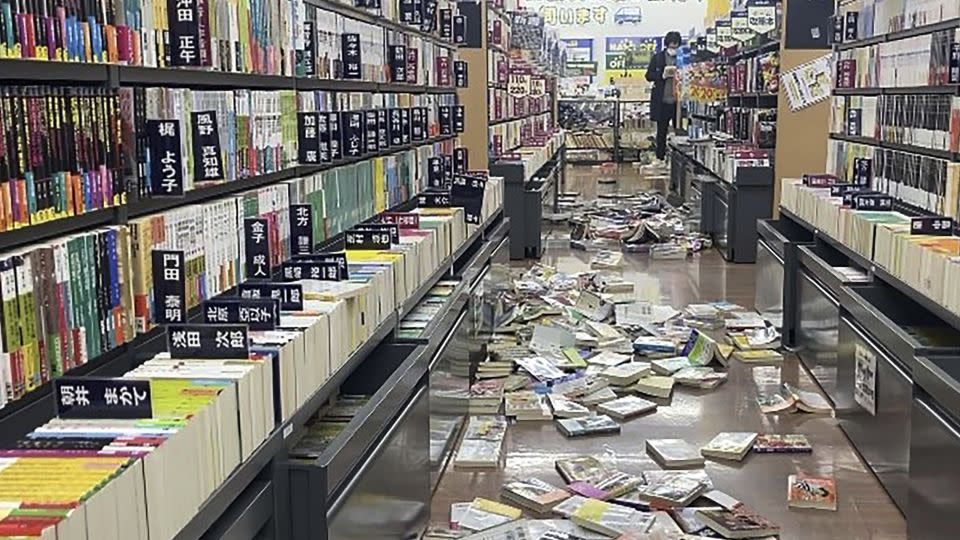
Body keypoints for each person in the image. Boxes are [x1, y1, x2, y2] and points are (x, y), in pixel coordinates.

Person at [646, 31, 682, 161]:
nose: (673, 49)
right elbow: (648, 76)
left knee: (680, 131)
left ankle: (677, 159)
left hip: (678, 102)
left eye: (676, 47)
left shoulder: (682, 58)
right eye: (671, 46)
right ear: (667, 44)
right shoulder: (658, 58)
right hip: (662, 101)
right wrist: (661, 76)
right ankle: (660, 158)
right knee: (661, 131)